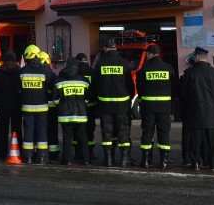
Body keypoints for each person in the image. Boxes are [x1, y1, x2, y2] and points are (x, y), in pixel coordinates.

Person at [91, 39, 134, 167]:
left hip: (105, 105)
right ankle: (124, 159)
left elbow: (95, 85)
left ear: (105, 48)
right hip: (122, 105)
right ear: (115, 48)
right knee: (123, 131)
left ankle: (109, 159)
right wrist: (128, 98)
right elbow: (130, 85)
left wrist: (96, 100)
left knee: (107, 132)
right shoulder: (124, 63)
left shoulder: (100, 63)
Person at [181, 47, 214, 170]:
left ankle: (195, 163)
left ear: (197, 57)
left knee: (195, 139)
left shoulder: (189, 73)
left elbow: (183, 93)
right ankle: (213, 164)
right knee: (212, 139)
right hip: (211, 111)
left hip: (194, 111)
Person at [136, 44, 177, 169]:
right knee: (163, 132)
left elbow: (140, 88)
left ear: (150, 54)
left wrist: (143, 99)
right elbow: (174, 86)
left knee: (147, 132)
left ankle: (146, 161)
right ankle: (164, 161)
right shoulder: (168, 67)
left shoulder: (144, 68)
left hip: (148, 107)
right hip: (164, 107)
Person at [19, 44, 53, 165]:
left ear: (27, 57)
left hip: (27, 107)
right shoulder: (45, 71)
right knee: (41, 131)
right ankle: (42, 157)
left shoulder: (22, 72)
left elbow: (18, 90)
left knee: (28, 131)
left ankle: (28, 157)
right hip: (42, 108)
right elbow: (50, 89)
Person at [55, 58, 91, 165]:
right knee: (83, 137)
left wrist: (61, 104)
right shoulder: (84, 80)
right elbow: (88, 99)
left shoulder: (59, 80)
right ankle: (86, 160)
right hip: (81, 113)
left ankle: (67, 160)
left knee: (67, 138)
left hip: (65, 114)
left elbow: (55, 100)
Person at [0, 51, 22, 161]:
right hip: (16, 105)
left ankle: (2, 153)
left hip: (2, 105)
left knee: (2, 130)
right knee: (17, 129)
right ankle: (19, 151)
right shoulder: (19, 72)